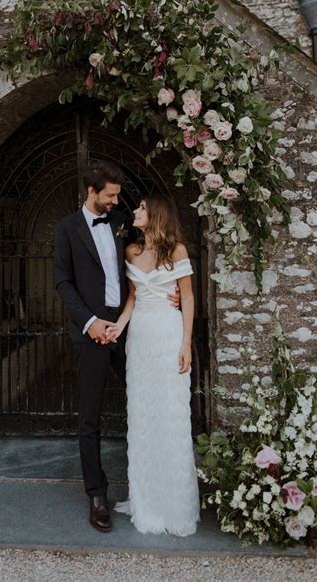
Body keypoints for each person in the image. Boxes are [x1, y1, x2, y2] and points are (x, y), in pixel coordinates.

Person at [54, 161, 180, 533]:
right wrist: (91, 324)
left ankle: (157, 491)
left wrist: (167, 290)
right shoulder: (66, 229)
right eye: (109, 195)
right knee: (89, 416)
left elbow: (155, 253)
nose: (116, 200)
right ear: (91, 192)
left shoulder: (122, 220)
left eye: (117, 195)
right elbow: (62, 283)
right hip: (93, 330)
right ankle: (96, 494)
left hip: (132, 327)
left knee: (149, 405)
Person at [105, 194, 200, 536]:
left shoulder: (177, 251)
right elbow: (132, 298)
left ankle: (174, 505)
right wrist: (119, 326)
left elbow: (187, 297)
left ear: (157, 214)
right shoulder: (131, 251)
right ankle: (146, 500)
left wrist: (185, 343)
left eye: (143, 208)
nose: (136, 211)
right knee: (143, 415)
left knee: (171, 415)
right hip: (141, 337)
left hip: (168, 334)